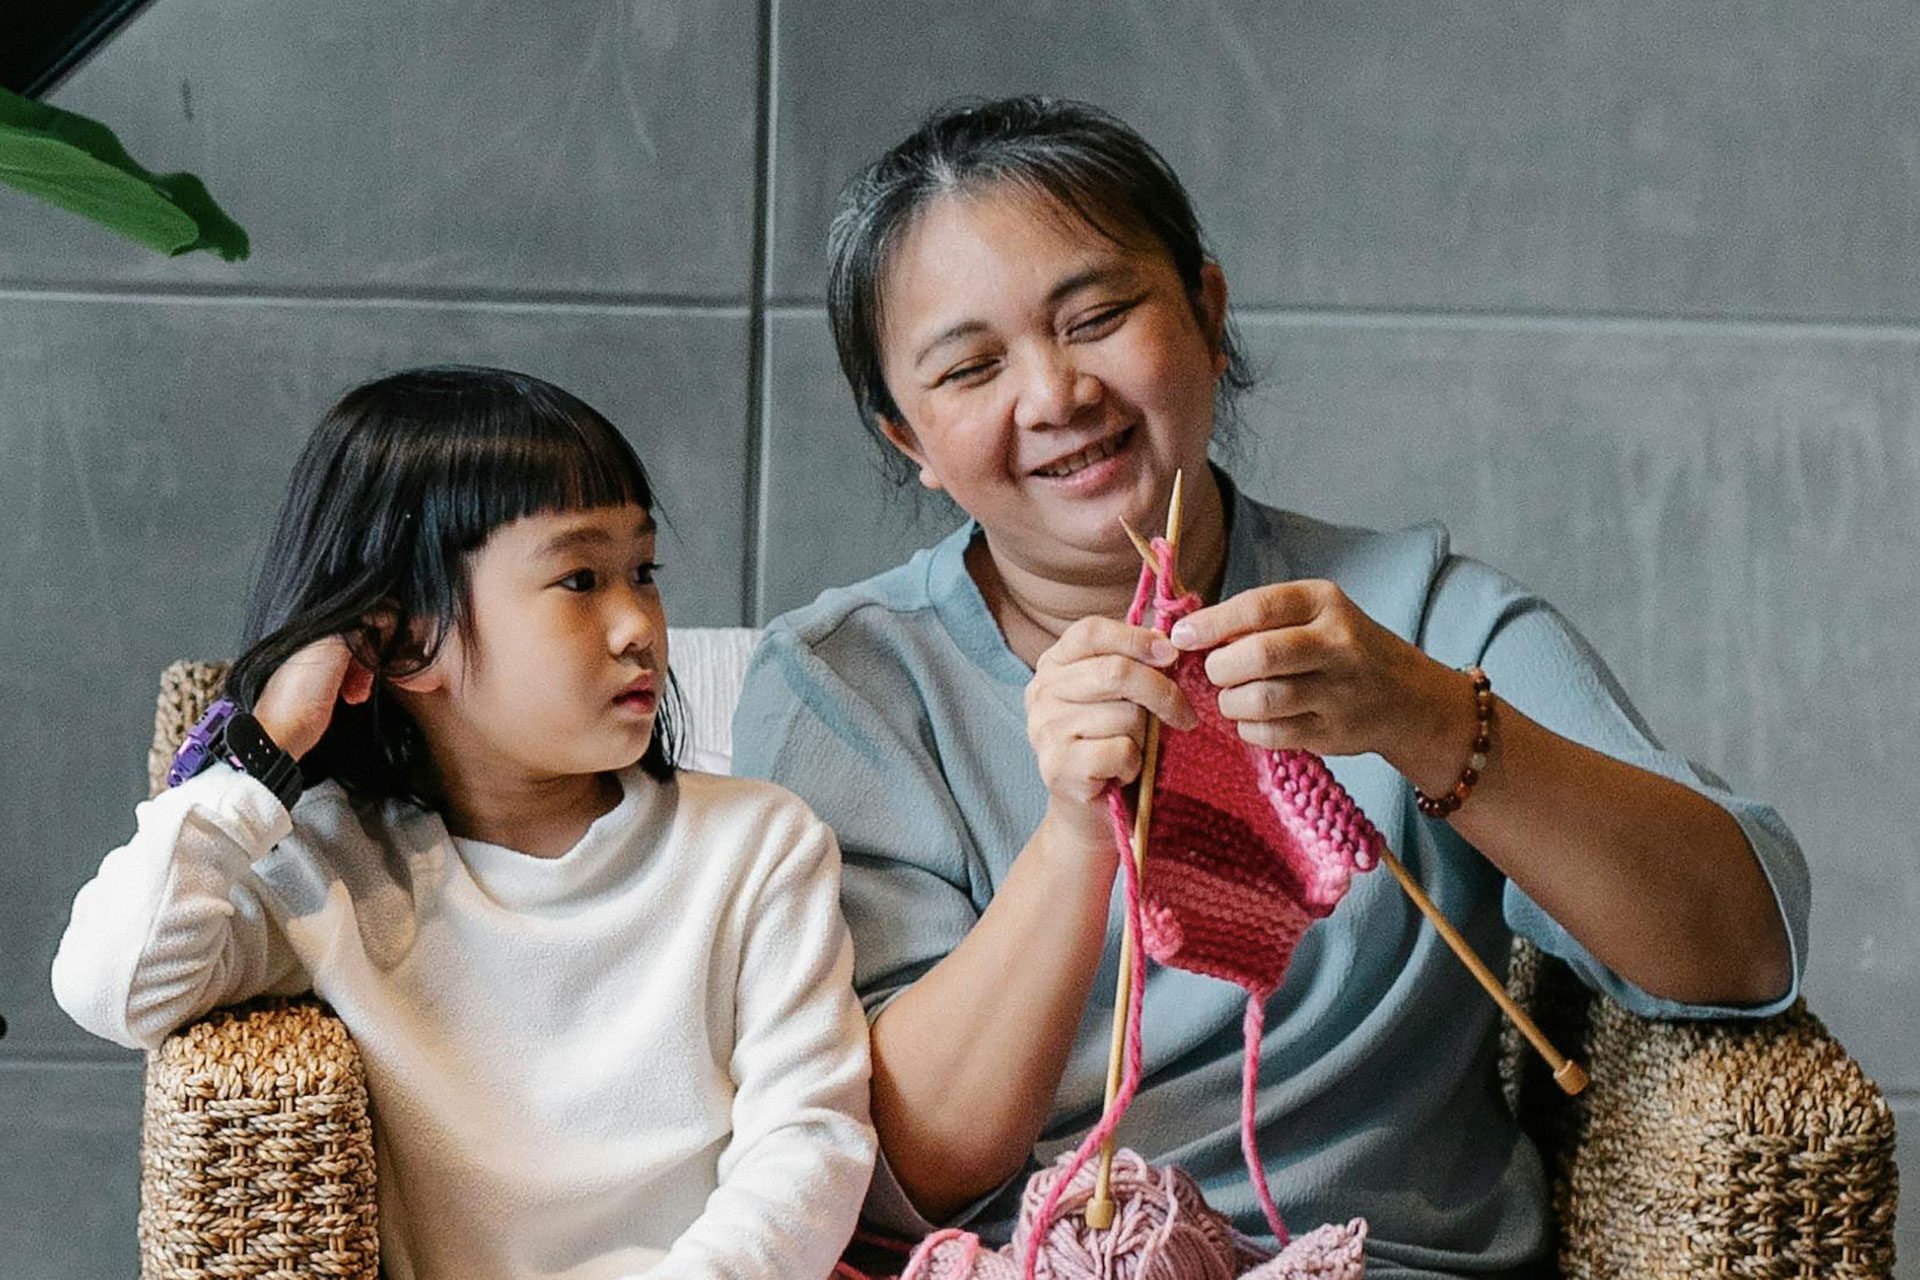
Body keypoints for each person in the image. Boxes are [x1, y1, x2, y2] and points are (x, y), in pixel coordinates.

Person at [730, 98, 1808, 1278]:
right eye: (973, 366)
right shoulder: (848, 681)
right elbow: (901, 1164)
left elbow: (1740, 951)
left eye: (1096, 316)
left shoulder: (1416, 614)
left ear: (1207, 313)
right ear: (910, 441)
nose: (1053, 394)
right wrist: (1072, 840)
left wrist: (1425, 715)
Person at [53, 366, 875, 1280]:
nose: (637, 623)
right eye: (579, 579)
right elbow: (112, 986)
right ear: (407, 642)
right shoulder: (332, 867)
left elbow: (811, 1143)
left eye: (642, 571)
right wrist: (268, 747)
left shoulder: (758, 845)